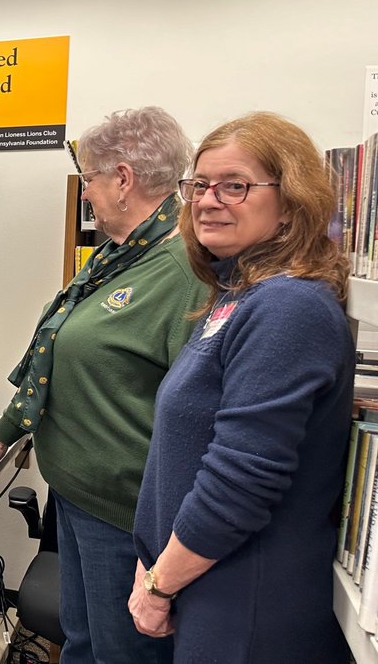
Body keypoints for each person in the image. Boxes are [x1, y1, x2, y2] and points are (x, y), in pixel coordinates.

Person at [0, 107, 206, 663]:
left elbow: (195, 419)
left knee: (118, 654)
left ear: (123, 180)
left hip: (126, 515)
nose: (86, 195)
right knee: (80, 641)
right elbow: (55, 360)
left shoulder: (184, 271)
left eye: (90, 180)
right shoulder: (115, 258)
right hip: (75, 494)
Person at [130, 112, 353, 663]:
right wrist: (151, 558)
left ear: (291, 203)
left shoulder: (287, 307)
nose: (208, 200)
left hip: (246, 603)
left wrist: (159, 583)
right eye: (199, 185)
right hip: (206, 579)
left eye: (236, 186)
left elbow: (241, 479)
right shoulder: (236, 296)